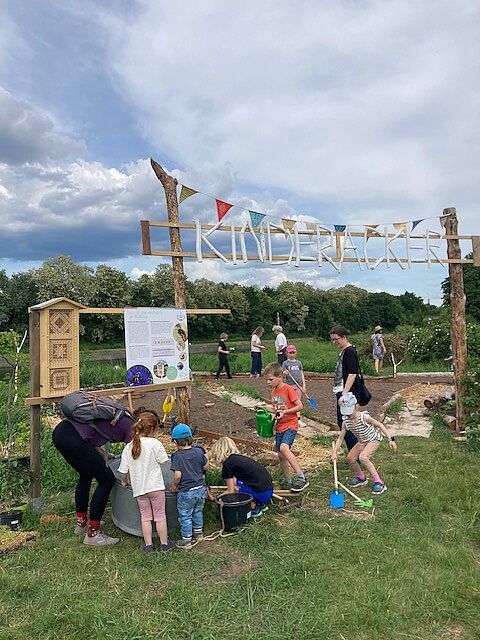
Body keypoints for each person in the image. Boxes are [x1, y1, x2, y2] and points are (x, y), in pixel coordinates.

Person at [52, 411, 135, 546]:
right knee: (107, 480)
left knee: (86, 474)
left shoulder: (121, 416)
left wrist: (105, 455)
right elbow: (132, 457)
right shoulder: (133, 428)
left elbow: (91, 435)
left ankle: (82, 524)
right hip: (73, 438)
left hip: (62, 432)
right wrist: (128, 479)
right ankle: (93, 534)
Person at [118, 411, 176, 552]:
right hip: (155, 487)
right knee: (160, 515)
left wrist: (124, 482)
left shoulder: (129, 447)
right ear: (152, 429)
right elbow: (164, 461)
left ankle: (148, 545)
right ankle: (164, 544)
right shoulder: (155, 443)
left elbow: (123, 471)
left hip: (139, 489)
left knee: (145, 517)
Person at [332, 392, 397, 495]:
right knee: (350, 458)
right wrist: (335, 452)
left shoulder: (364, 417)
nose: (348, 415)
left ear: (356, 407)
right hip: (362, 441)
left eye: (349, 412)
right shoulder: (346, 422)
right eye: (345, 413)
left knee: (363, 457)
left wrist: (391, 439)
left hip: (373, 439)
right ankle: (361, 477)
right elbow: (340, 438)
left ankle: (379, 482)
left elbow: (379, 425)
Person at [264, 362, 309, 492]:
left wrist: (286, 412)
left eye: (270, 379)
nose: (268, 382)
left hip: (291, 424)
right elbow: (277, 409)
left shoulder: (288, 389)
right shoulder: (274, 392)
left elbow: (300, 406)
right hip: (280, 426)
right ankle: (288, 481)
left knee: (284, 448)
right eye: (266, 380)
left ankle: (301, 477)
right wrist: (265, 409)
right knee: (281, 456)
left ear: (279, 377)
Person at [209, 437, 274, 518]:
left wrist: (215, 499)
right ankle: (261, 504)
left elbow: (231, 491)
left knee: (237, 487)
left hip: (261, 494)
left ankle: (252, 509)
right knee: (239, 482)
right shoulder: (239, 459)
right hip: (269, 490)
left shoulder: (228, 464)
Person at [170, 423, 208, 549]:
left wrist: (174, 486)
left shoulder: (177, 456)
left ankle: (186, 540)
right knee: (198, 511)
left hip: (187, 491)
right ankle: (199, 534)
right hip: (200, 488)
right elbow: (205, 466)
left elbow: (178, 476)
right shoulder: (198, 451)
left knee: (185, 515)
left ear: (176, 442)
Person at [329, 324, 363, 451]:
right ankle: (354, 452)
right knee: (344, 423)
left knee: (346, 424)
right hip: (342, 391)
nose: (334, 342)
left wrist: (344, 393)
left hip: (347, 393)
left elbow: (352, 373)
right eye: (332, 340)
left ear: (344, 337)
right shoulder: (344, 351)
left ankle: (355, 452)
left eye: (336, 339)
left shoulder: (349, 352)